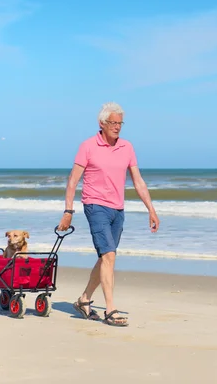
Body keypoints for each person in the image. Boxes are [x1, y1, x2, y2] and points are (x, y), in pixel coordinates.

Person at [57, 102, 159, 327]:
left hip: (117, 209)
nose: (117, 127)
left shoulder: (127, 147)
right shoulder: (88, 146)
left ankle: (84, 300)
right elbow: (73, 181)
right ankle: (110, 309)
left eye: (120, 123)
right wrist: (68, 211)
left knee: (106, 257)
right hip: (95, 206)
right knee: (109, 256)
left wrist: (151, 209)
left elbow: (138, 181)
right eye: (113, 122)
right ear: (101, 123)